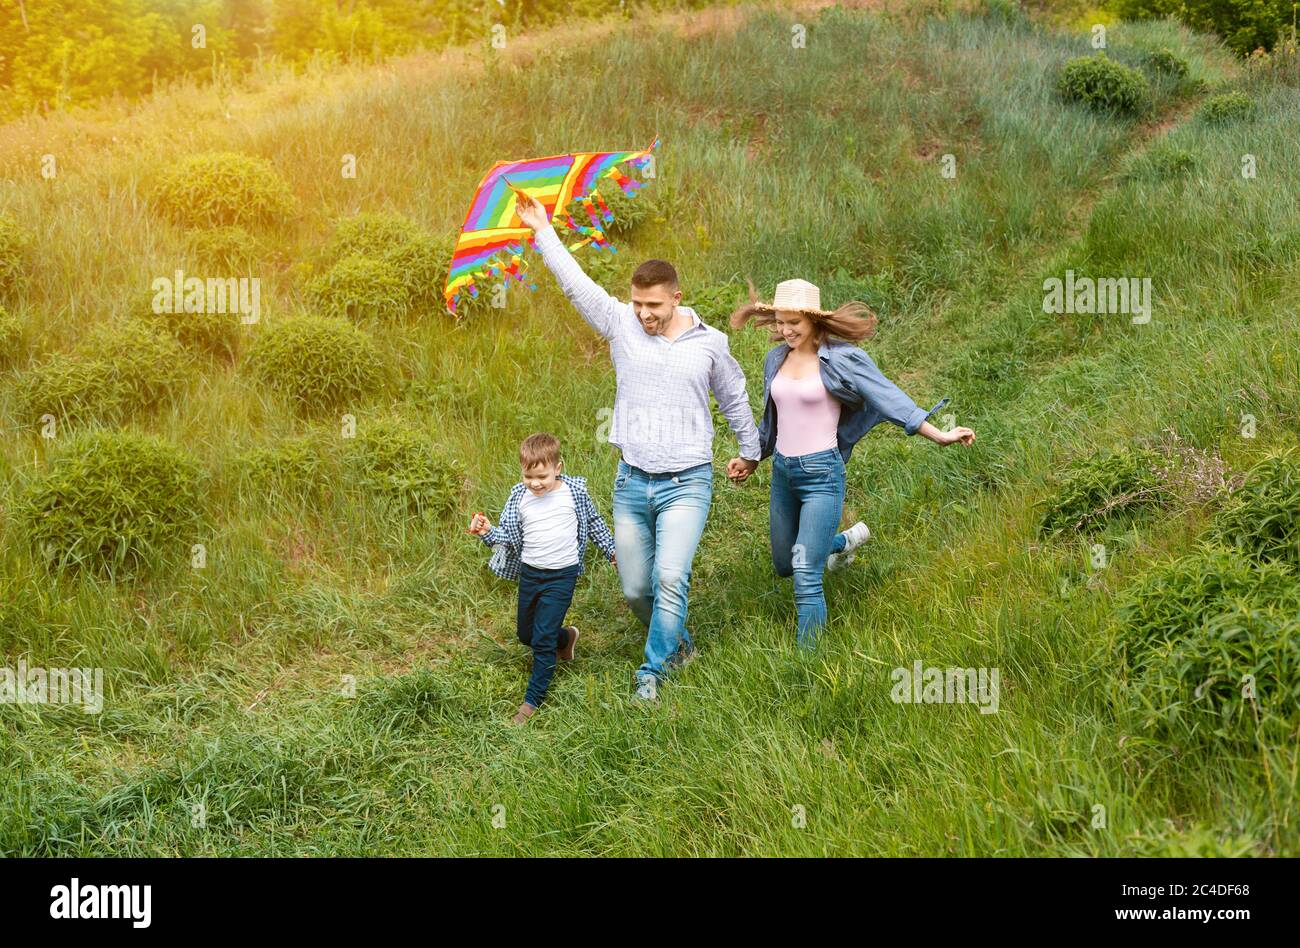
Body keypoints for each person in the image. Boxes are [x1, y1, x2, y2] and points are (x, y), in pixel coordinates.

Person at [515, 193, 761, 703]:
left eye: (653, 305)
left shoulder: (710, 342)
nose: (644, 315)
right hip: (632, 481)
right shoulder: (619, 324)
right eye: (637, 304)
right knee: (636, 589)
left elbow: (734, 396)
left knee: (670, 577)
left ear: (675, 297)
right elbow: (575, 284)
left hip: (688, 481)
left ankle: (650, 673)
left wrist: (751, 450)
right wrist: (542, 229)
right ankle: (680, 646)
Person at [727, 278, 975, 648]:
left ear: (813, 319)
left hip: (822, 475)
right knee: (783, 563)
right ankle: (842, 541)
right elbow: (773, 420)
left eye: (793, 322)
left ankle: (805, 666)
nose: (784, 330)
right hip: (783, 474)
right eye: (779, 321)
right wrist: (751, 458)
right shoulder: (775, 359)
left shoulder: (842, 359)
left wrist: (940, 434)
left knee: (805, 575)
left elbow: (890, 398)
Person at [469, 432, 617, 724]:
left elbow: (594, 523)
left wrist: (612, 551)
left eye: (542, 476)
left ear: (557, 468)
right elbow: (508, 539)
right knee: (526, 634)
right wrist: (486, 532)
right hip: (531, 574)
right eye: (528, 476)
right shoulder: (519, 498)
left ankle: (531, 701)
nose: (535, 483)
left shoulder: (573, 494)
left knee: (541, 640)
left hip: (562, 575)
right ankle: (567, 637)